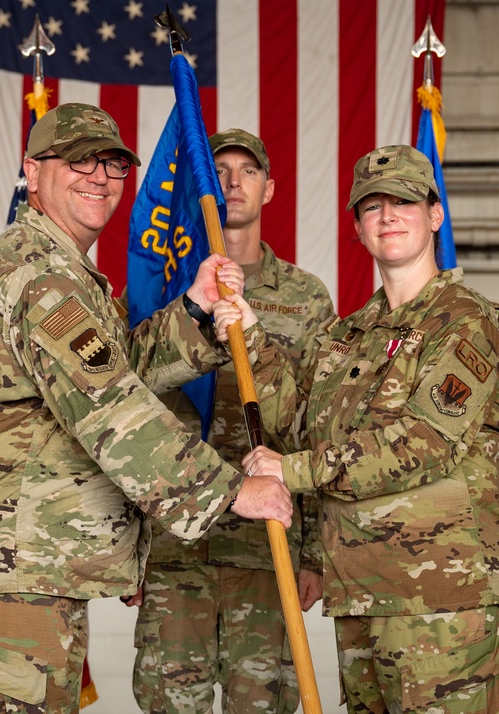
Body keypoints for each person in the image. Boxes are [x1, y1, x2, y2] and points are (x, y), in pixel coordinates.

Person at [0, 103, 293, 714]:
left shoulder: (68, 272)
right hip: (6, 575)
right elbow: (111, 408)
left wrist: (192, 310)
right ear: (32, 174)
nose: (98, 176)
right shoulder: (39, 276)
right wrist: (230, 492)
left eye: (113, 163)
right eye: (78, 160)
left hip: (29, 567)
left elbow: (119, 367)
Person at [243, 145, 499, 714]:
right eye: (372, 206)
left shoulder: (467, 320)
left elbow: (425, 442)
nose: (388, 215)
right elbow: (296, 424)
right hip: (360, 596)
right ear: (357, 228)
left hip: (447, 600)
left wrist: (294, 471)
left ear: (434, 215)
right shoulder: (347, 335)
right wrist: (250, 333)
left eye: (404, 201)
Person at [126, 128, 337, 714]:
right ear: (200, 189)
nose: (232, 182)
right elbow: (128, 413)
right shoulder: (174, 287)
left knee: (265, 705)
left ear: (269, 189)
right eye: (219, 170)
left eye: (248, 170)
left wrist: (314, 554)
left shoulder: (306, 298)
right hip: (177, 548)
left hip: (267, 549)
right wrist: (130, 549)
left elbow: (317, 426)